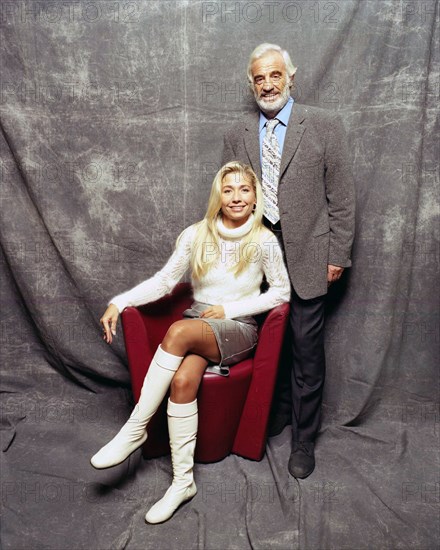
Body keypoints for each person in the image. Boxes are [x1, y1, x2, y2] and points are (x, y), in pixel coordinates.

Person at [90, 161, 290, 524]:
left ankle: (136, 427)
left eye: (244, 189)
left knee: (179, 333)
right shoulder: (195, 234)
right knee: (182, 382)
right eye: (228, 190)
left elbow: (281, 293)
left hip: (239, 326)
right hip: (198, 322)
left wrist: (230, 307)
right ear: (218, 195)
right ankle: (183, 483)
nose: (236, 197)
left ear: (256, 196)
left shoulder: (263, 241)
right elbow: (165, 282)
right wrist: (119, 302)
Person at [222, 44, 355, 479]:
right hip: (257, 255)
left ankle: (303, 440)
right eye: (259, 78)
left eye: (275, 75)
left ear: (290, 78)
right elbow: (230, 198)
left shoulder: (323, 125)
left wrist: (337, 254)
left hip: (310, 254)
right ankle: (274, 415)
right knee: (264, 343)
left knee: (306, 351)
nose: (267, 84)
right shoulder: (238, 132)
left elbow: (342, 198)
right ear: (251, 83)